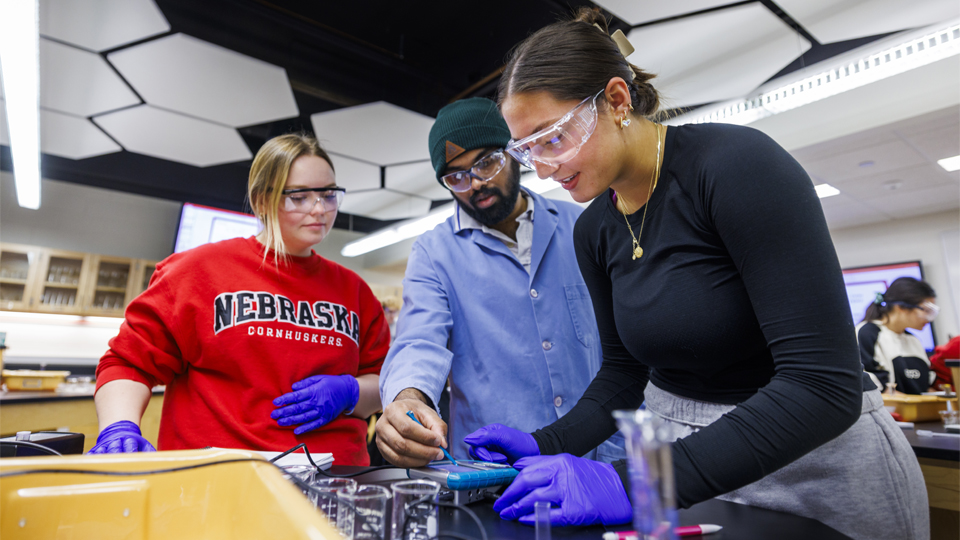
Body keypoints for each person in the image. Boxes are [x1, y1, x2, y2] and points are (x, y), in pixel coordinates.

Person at [465, 9, 928, 540]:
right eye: (527, 151)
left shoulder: (734, 167)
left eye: (552, 138)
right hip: (689, 472)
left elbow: (822, 385)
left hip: (818, 470)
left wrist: (633, 483)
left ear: (616, 101)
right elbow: (624, 374)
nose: (543, 169)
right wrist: (546, 444)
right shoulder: (595, 229)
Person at [90, 134, 391, 465]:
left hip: (337, 482)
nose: (319, 209)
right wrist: (119, 427)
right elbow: (128, 362)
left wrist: (350, 392)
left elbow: (385, 383)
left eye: (328, 195)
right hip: (218, 477)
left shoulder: (356, 292)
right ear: (263, 200)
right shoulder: (197, 272)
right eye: (300, 197)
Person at [375, 97, 624, 467]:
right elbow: (418, 341)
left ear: (514, 152)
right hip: (496, 471)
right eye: (456, 177)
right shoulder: (434, 252)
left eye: (487, 162)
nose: (475, 183)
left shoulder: (583, 225)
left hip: (599, 459)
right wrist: (408, 398)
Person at [857, 277, 939, 394]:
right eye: (926, 310)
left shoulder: (913, 340)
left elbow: (926, 387)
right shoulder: (866, 333)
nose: (929, 318)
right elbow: (870, 386)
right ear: (900, 307)